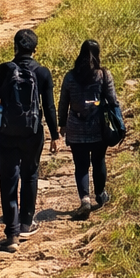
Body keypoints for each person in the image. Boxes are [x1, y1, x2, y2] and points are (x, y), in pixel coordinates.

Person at [0, 29, 59, 253]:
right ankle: (26, 224)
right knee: (30, 174)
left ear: (15, 47)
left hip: (6, 133)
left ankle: (12, 235)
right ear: (35, 49)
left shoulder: (4, 69)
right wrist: (55, 135)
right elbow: (48, 106)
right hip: (33, 133)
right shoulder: (42, 73)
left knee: (8, 180)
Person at [58, 40, 117, 220]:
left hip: (76, 127)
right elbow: (113, 100)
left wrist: (62, 124)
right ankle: (100, 194)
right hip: (98, 127)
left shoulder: (70, 76)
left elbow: (63, 102)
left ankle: (84, 199)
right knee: (99, 161)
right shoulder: (104, 75)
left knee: (81, 165)